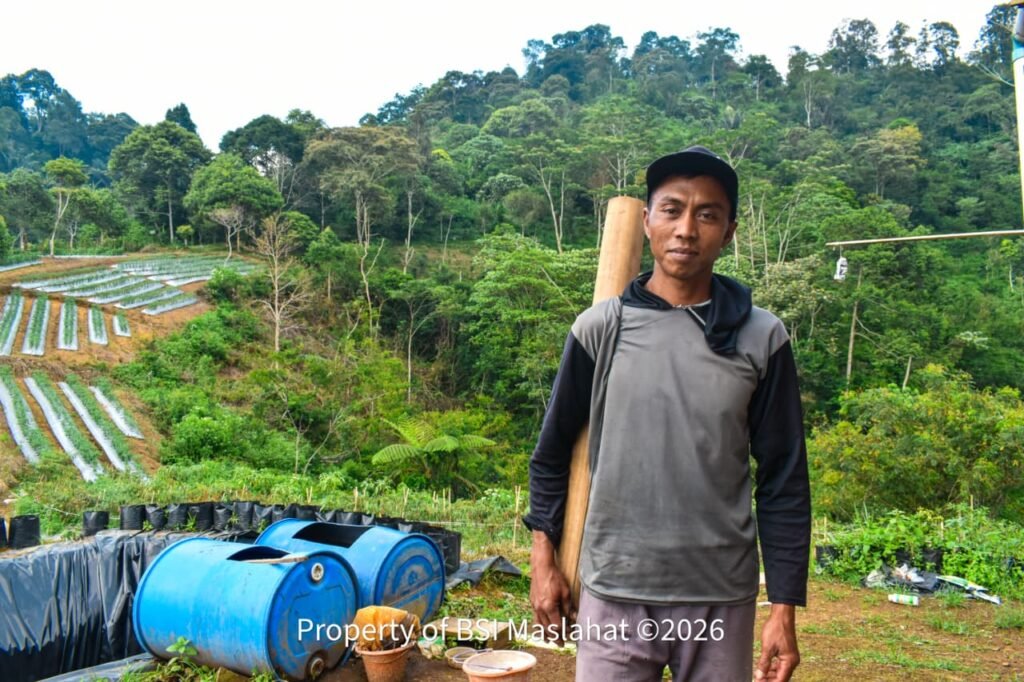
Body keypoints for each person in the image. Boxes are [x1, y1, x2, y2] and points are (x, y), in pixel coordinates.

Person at [523, 146, 811, 682]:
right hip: (615, 589)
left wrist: (784, 607)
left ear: (727, 233)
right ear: (649, 220)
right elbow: (551, 454)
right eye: (672, 210)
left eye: (707, 214)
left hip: (721, 596)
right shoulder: (599, 329)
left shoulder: (761, 337)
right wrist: (543, 561)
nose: (686, 229)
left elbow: (784, 479)